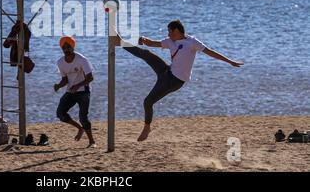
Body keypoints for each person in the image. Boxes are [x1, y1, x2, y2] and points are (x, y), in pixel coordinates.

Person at [114, 20, 244, 142]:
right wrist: (143, 40)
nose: (168, 34)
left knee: (148, 102)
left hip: (174, 81)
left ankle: (147, 127)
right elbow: (153, 43)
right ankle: (121, 42)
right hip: (166, 71)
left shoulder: (192, 42)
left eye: (169, 31)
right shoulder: (170, 41)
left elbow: (210, 52)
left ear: (176, 31)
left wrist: (230, 61)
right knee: (147, 54)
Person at [54, 36, 96, 148]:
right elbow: (65, 80)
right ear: (62, 49)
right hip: (70, 92)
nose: (66, 50)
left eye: (68, 47)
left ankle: (92, 141)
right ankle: (79, 128)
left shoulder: (82, 59)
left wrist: (77, 86)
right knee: (60, 113)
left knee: (83, 117)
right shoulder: (60, 62)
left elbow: (90, 77)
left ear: (73, 47)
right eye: (64, 48)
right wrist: (58, 85)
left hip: (83, 91)